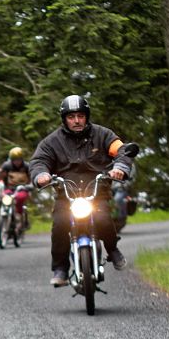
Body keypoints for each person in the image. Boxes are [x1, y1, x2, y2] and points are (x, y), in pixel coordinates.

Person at [29, 95, 134, 286]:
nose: (76, 120)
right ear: (64, 119)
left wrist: (120, 168)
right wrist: (41, 175)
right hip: (66, 195)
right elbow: (39, 161)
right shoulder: (51, 142)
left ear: (86, 116)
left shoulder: (103, 135)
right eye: (71, 117)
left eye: (80, 116)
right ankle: (60, 268)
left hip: (96, 192)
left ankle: (112, 249)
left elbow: (122, 150)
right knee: (60, 224)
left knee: (103, 218)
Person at [0, 147, 31, 230]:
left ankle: (19, 216)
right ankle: (3, 217)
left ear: (22, 159)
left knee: (19, 197)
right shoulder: (6, 166)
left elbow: (32, 178)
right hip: (9, 188)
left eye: (18, 159)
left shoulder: (26, 166)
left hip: (23, 189)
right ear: (11, 159)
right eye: (14, 160)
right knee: (2, 198)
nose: (17, 162)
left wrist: (30, 186)